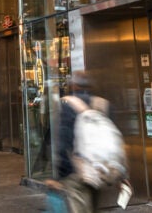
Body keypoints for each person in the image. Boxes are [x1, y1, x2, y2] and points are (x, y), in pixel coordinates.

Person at [56, 72, 102, 213]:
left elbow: (65, 139)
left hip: (76, 170)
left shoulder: (68, 105)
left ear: (73, 86)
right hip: (98, 169)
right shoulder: (102, 104)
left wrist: (61, 173)